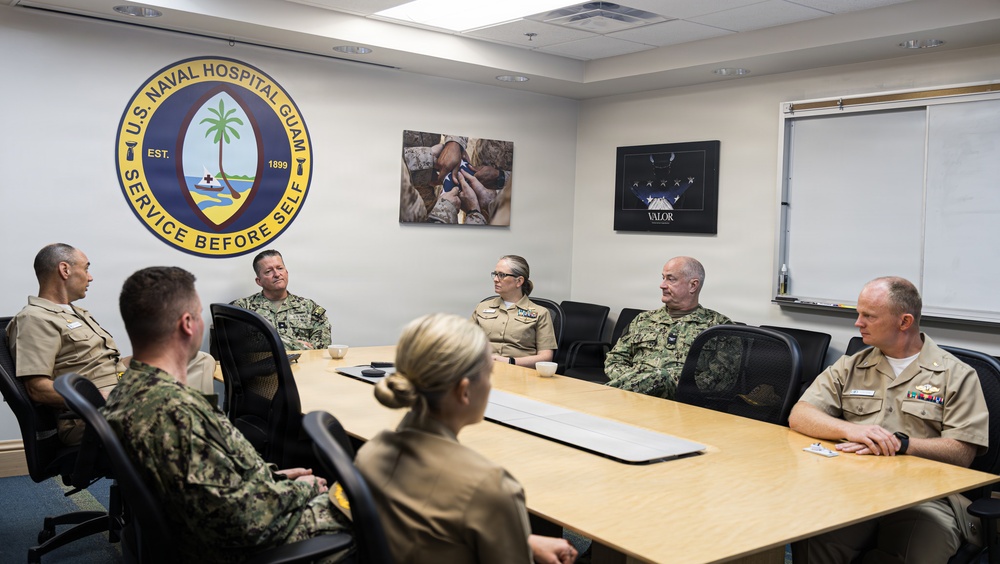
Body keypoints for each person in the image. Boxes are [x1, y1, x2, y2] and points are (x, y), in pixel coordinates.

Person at [103, 266, 352, 563]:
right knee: (382, 500)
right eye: (198, 314)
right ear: (188, 324)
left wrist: (274, 479)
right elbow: (243, 521)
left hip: (229, 518)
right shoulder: (177, 413)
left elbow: (212, 482)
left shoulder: (130, 389)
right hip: (259, 541)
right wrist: (299, 491)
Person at [789, 276, 988, 563]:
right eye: (859, 314)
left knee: (914, 550)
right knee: (814, 538)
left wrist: (901, 444)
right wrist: (852, 430)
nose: (858, 323)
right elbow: (801, 414)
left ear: (904, 322)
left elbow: (962, 452)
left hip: (925, 495)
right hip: (853, 485)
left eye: (869, 316)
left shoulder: (956, 375)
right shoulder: (852, 365)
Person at [354, 313, 577, 564]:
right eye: (489, 375)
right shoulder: (490, 487)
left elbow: (427, 532)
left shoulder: (371, 452)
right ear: (464, 391)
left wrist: (524, 542)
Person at [6, 243, 214, 445]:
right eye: (86, 269)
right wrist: (97, 397)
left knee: (198, 360)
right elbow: (37, 388)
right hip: (90, 415)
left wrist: (155, 357)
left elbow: (106, 365)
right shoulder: (34, 318)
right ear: (65, 270)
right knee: (178, 409)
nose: (90, 277)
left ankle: (197, 433)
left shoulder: (77, 313)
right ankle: (198, 439)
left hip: (120, 387)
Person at [605, 256, 732, 399]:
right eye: (663, 278)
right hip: (632, 397)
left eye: (671, 279)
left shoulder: (718, 327)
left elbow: (722, 378)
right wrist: (638, 381)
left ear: (693, 285)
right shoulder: (643, 319)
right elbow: (615, 359)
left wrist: (664, 382)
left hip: (682, 403)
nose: (662, 285)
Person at [231, 249, 331, 351]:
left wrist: (267, 342)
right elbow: (239, 345)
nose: (277, 274)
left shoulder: (309, 307)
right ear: (259, 281)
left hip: (304, 362)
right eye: (268, 271)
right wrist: (293, 344)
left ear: (286, 273)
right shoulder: (243, 307)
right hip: (264, 362)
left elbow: (321, 347)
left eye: (280, 268)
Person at [472, 255, 557, 368]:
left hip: (520, 371)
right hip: (484, 368)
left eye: (502, 275)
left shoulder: (540, 313)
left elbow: (546, 357)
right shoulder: (482, 307)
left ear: (519, 281)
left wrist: (510, 361)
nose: (496, 279)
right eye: (495, 274)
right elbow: (466, 343)